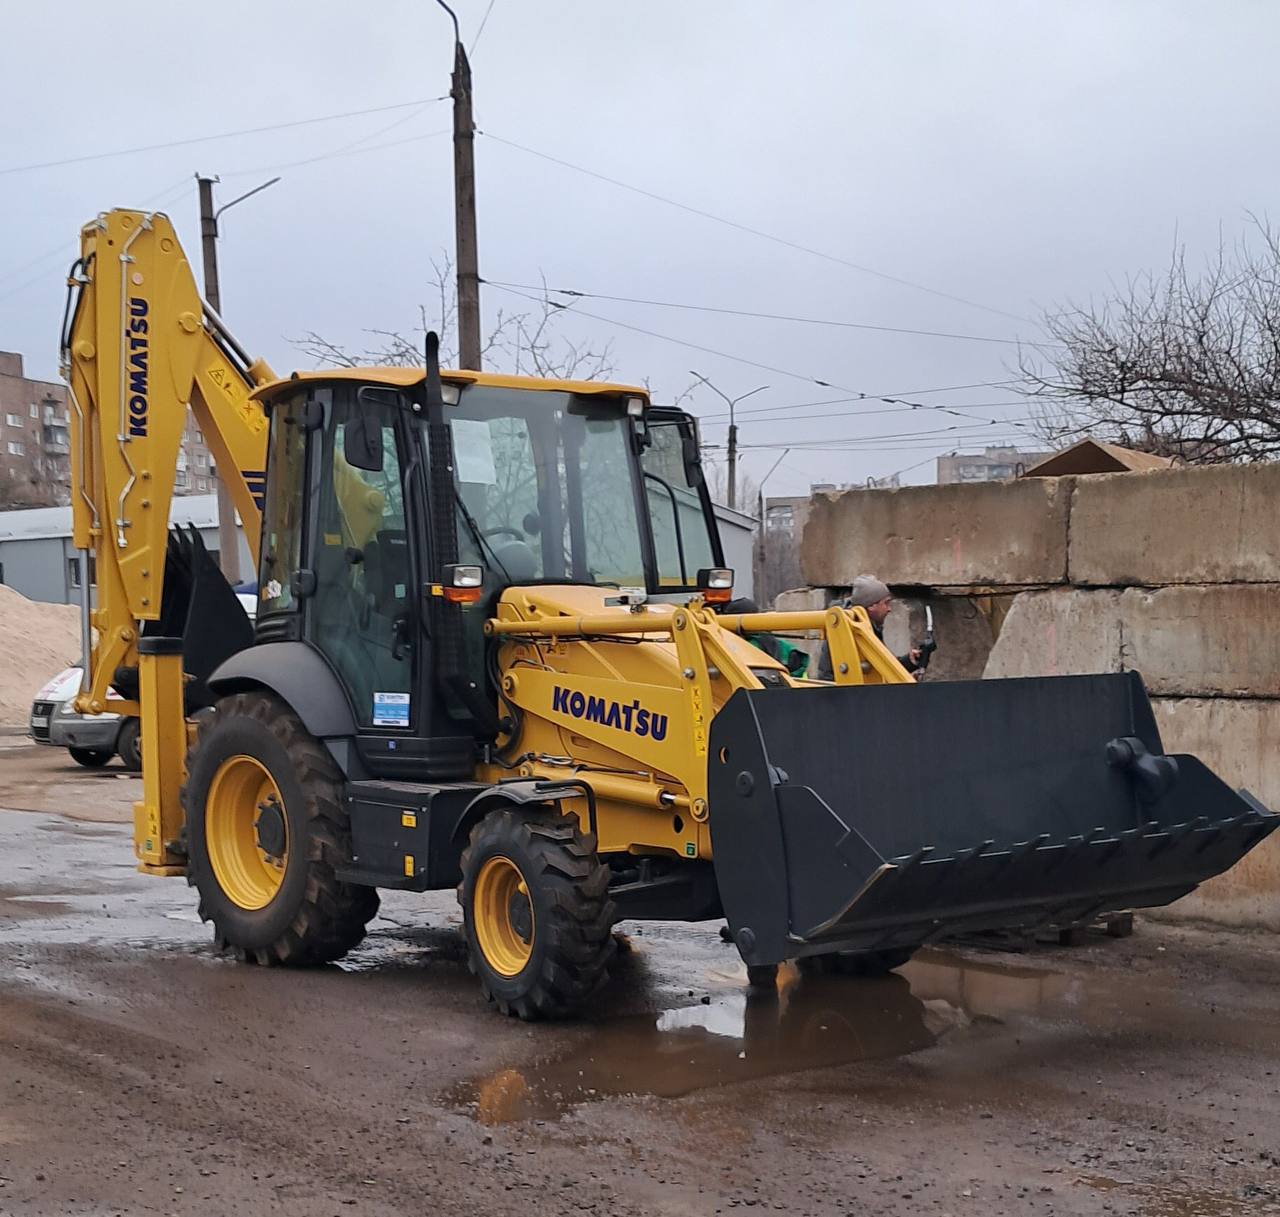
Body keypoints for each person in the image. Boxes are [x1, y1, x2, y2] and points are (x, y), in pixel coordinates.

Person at [813, 574, 921, 680]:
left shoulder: (866, 625)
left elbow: (883, 664)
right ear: (871, 606)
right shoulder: (853, 628)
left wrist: (910, 660)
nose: (889, 609)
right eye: (886, 603)